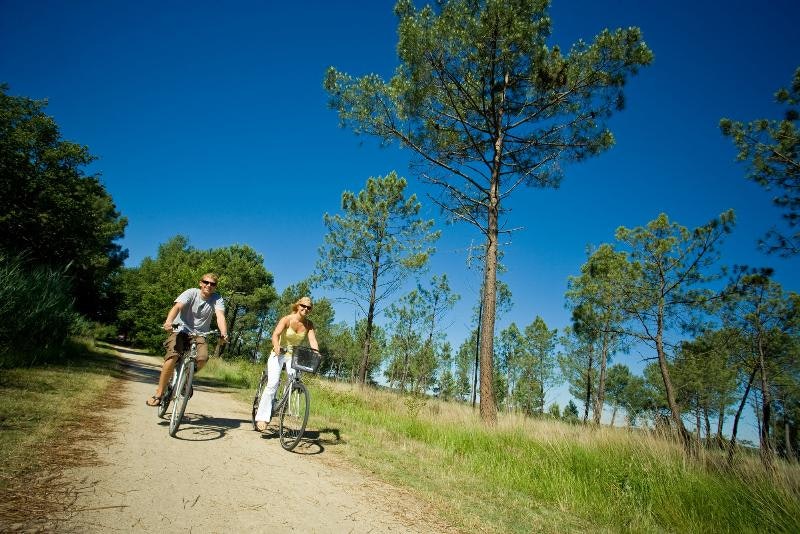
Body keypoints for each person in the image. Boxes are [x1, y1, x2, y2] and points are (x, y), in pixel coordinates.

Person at [145, 273, 229, 407]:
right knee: (172, 356)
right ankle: (159, 394)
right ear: (200, 283)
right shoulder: (191, 293)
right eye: (206, 282)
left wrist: (224, 333)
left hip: (199, 334)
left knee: (202, 358)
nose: (209, 285)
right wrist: (169, 322)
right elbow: (177, 307)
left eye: (212, 284)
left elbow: (220, 316)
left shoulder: (217, 299)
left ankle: (186, 379)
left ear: (215, 287)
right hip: (180, 329)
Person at [254, 296, 319, 431]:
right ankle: (262, 418)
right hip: (279, 354)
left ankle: (281, 405)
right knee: (273, 383)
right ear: (298, 306)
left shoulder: (309, 325)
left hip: (293, 357)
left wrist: (316, 352)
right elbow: (275, 334)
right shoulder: (287, 319)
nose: (305, 309)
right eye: (303, 306)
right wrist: (276, 346)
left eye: (309, 307)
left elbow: (312, 341)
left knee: (294, 382)